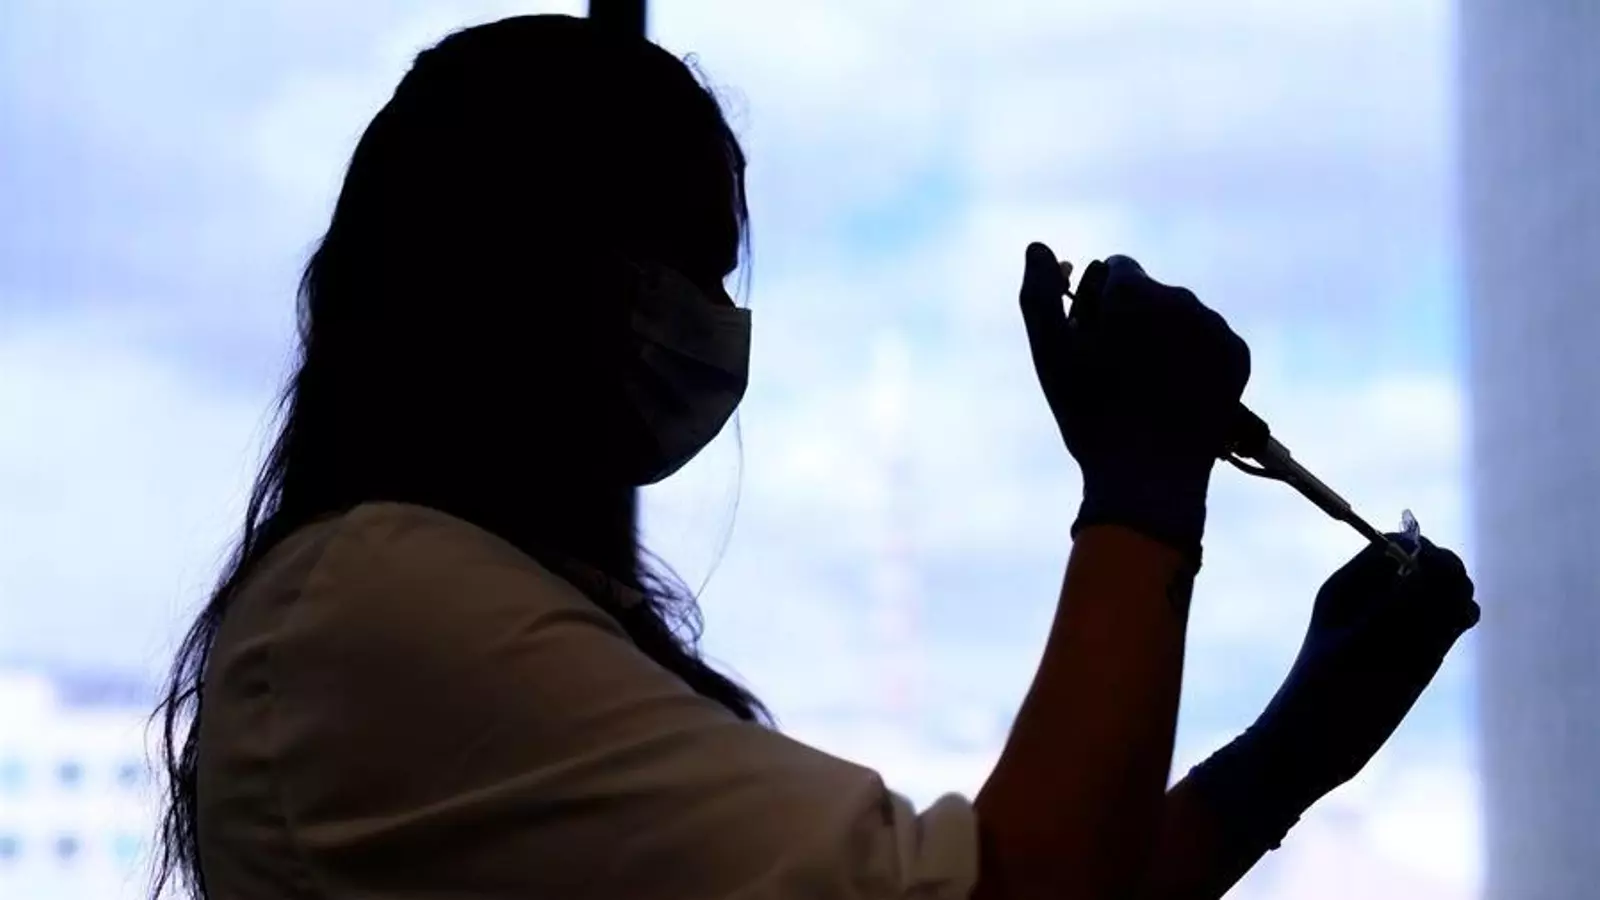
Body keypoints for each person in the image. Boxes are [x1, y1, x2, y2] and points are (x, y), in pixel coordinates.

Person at [149, 14, 1479, 900]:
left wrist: (1288, 753)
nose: (712, 319)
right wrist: (1143, 489)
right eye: (686, 265)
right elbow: (1016, 893)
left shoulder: (427, 605)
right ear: (516, 266)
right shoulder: (381, 601)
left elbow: (1025, 878)